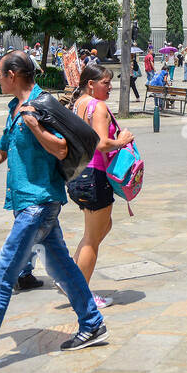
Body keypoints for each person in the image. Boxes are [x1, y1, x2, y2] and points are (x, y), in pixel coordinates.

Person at [0, 51, 107, 373]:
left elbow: (60, 148)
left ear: (13, 74)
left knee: (1, 277)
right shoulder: (15, 108)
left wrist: (35, 127)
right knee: (62, 269)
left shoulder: (40, 106)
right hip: (29, 203)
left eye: (1, 74)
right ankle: (92, 323)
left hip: (37, 204)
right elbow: (1, 152)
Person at [68, 64, 135, 309]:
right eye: (105, 83)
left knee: (103, 226)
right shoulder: (98, 106)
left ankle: (72, 276)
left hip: (79, 174)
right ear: (91, 84)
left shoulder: (79, 104)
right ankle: (81, 295)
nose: (110, 87)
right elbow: (101, 143)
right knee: (92, 239)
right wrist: (122, 141)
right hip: (94, 175)